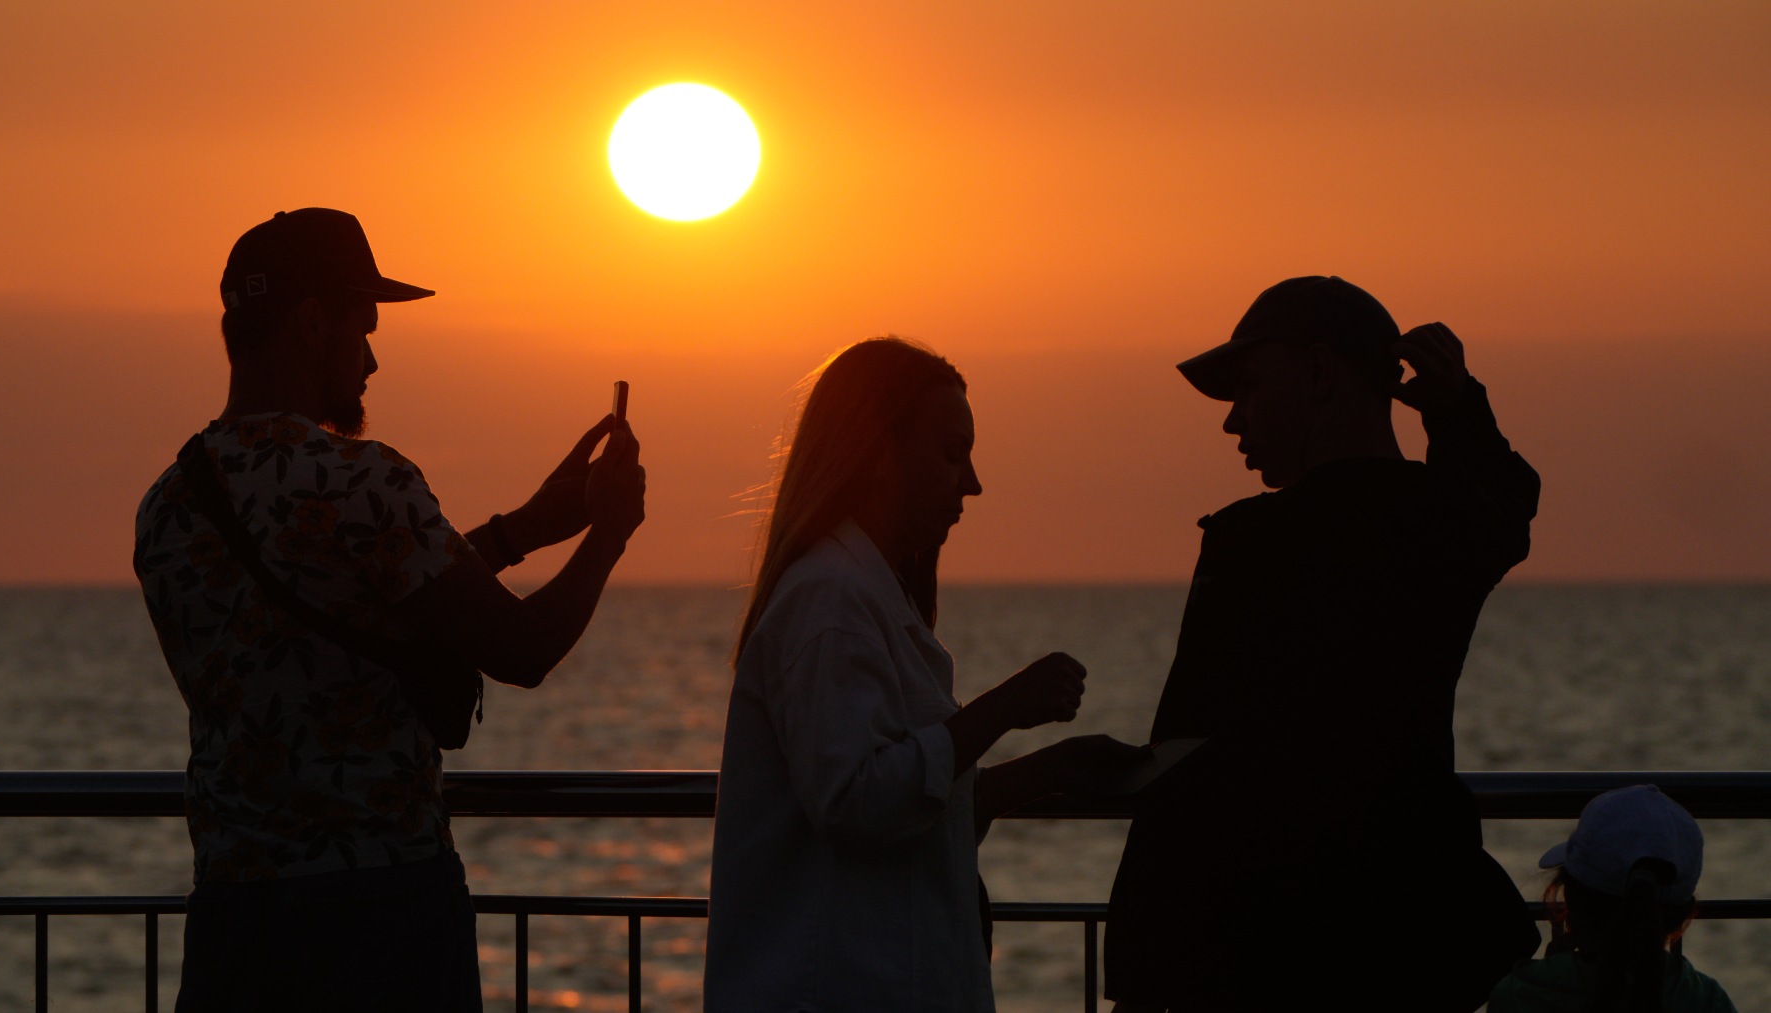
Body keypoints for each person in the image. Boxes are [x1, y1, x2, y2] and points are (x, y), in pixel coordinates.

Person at [133, 207, 646, 1011]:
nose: (371, 359)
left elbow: (352, 592)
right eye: (363, 327)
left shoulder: (167, 505)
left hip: (233, 921)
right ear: (312, 323)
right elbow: (523, 647)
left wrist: (521, 529)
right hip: (378, 914)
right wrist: (608, 533)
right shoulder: (365, 480)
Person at [1104, 276, 1542, 1011]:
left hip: (1265, 950)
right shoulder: (1449, 525)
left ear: (1316, 372)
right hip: (1408, 946)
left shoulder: (1251, 544)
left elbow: (1188, 758)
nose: (1232, 420)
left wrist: (1141, 972)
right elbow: (1510, 504)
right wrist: (1458, 409)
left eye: (1248, 386)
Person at [703, 337, 1145, 1012]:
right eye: (950, 453)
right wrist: (1004, 708)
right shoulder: (832, 598)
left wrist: (1050, 772)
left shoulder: (860, 593)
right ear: (881, 454)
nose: (972, 482)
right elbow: (856, 801)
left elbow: (910, 800)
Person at [1490, 785, 1737, 1013]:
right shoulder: (1708, 1000)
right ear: (1683, 916)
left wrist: (1554, 975)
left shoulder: (1520, 994)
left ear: (1570, 897)